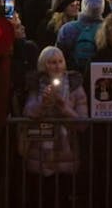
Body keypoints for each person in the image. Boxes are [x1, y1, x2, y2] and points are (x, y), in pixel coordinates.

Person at [22, 46, 87, 205]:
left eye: (60, 61)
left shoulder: (75, 86)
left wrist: (64, 107)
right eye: (52, 63)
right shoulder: (35, 85)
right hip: (40, 153)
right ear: (44, 65)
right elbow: (28, 113)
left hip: (66, 152)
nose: (57, 66)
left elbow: (83, 122)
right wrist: (42, 104)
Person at [55, 0, 105, 72]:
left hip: (73, 74)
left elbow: (58, 55)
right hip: (101, 76)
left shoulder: (67, 28)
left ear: (83, 5)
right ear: (102, 8)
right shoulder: (108, 29)